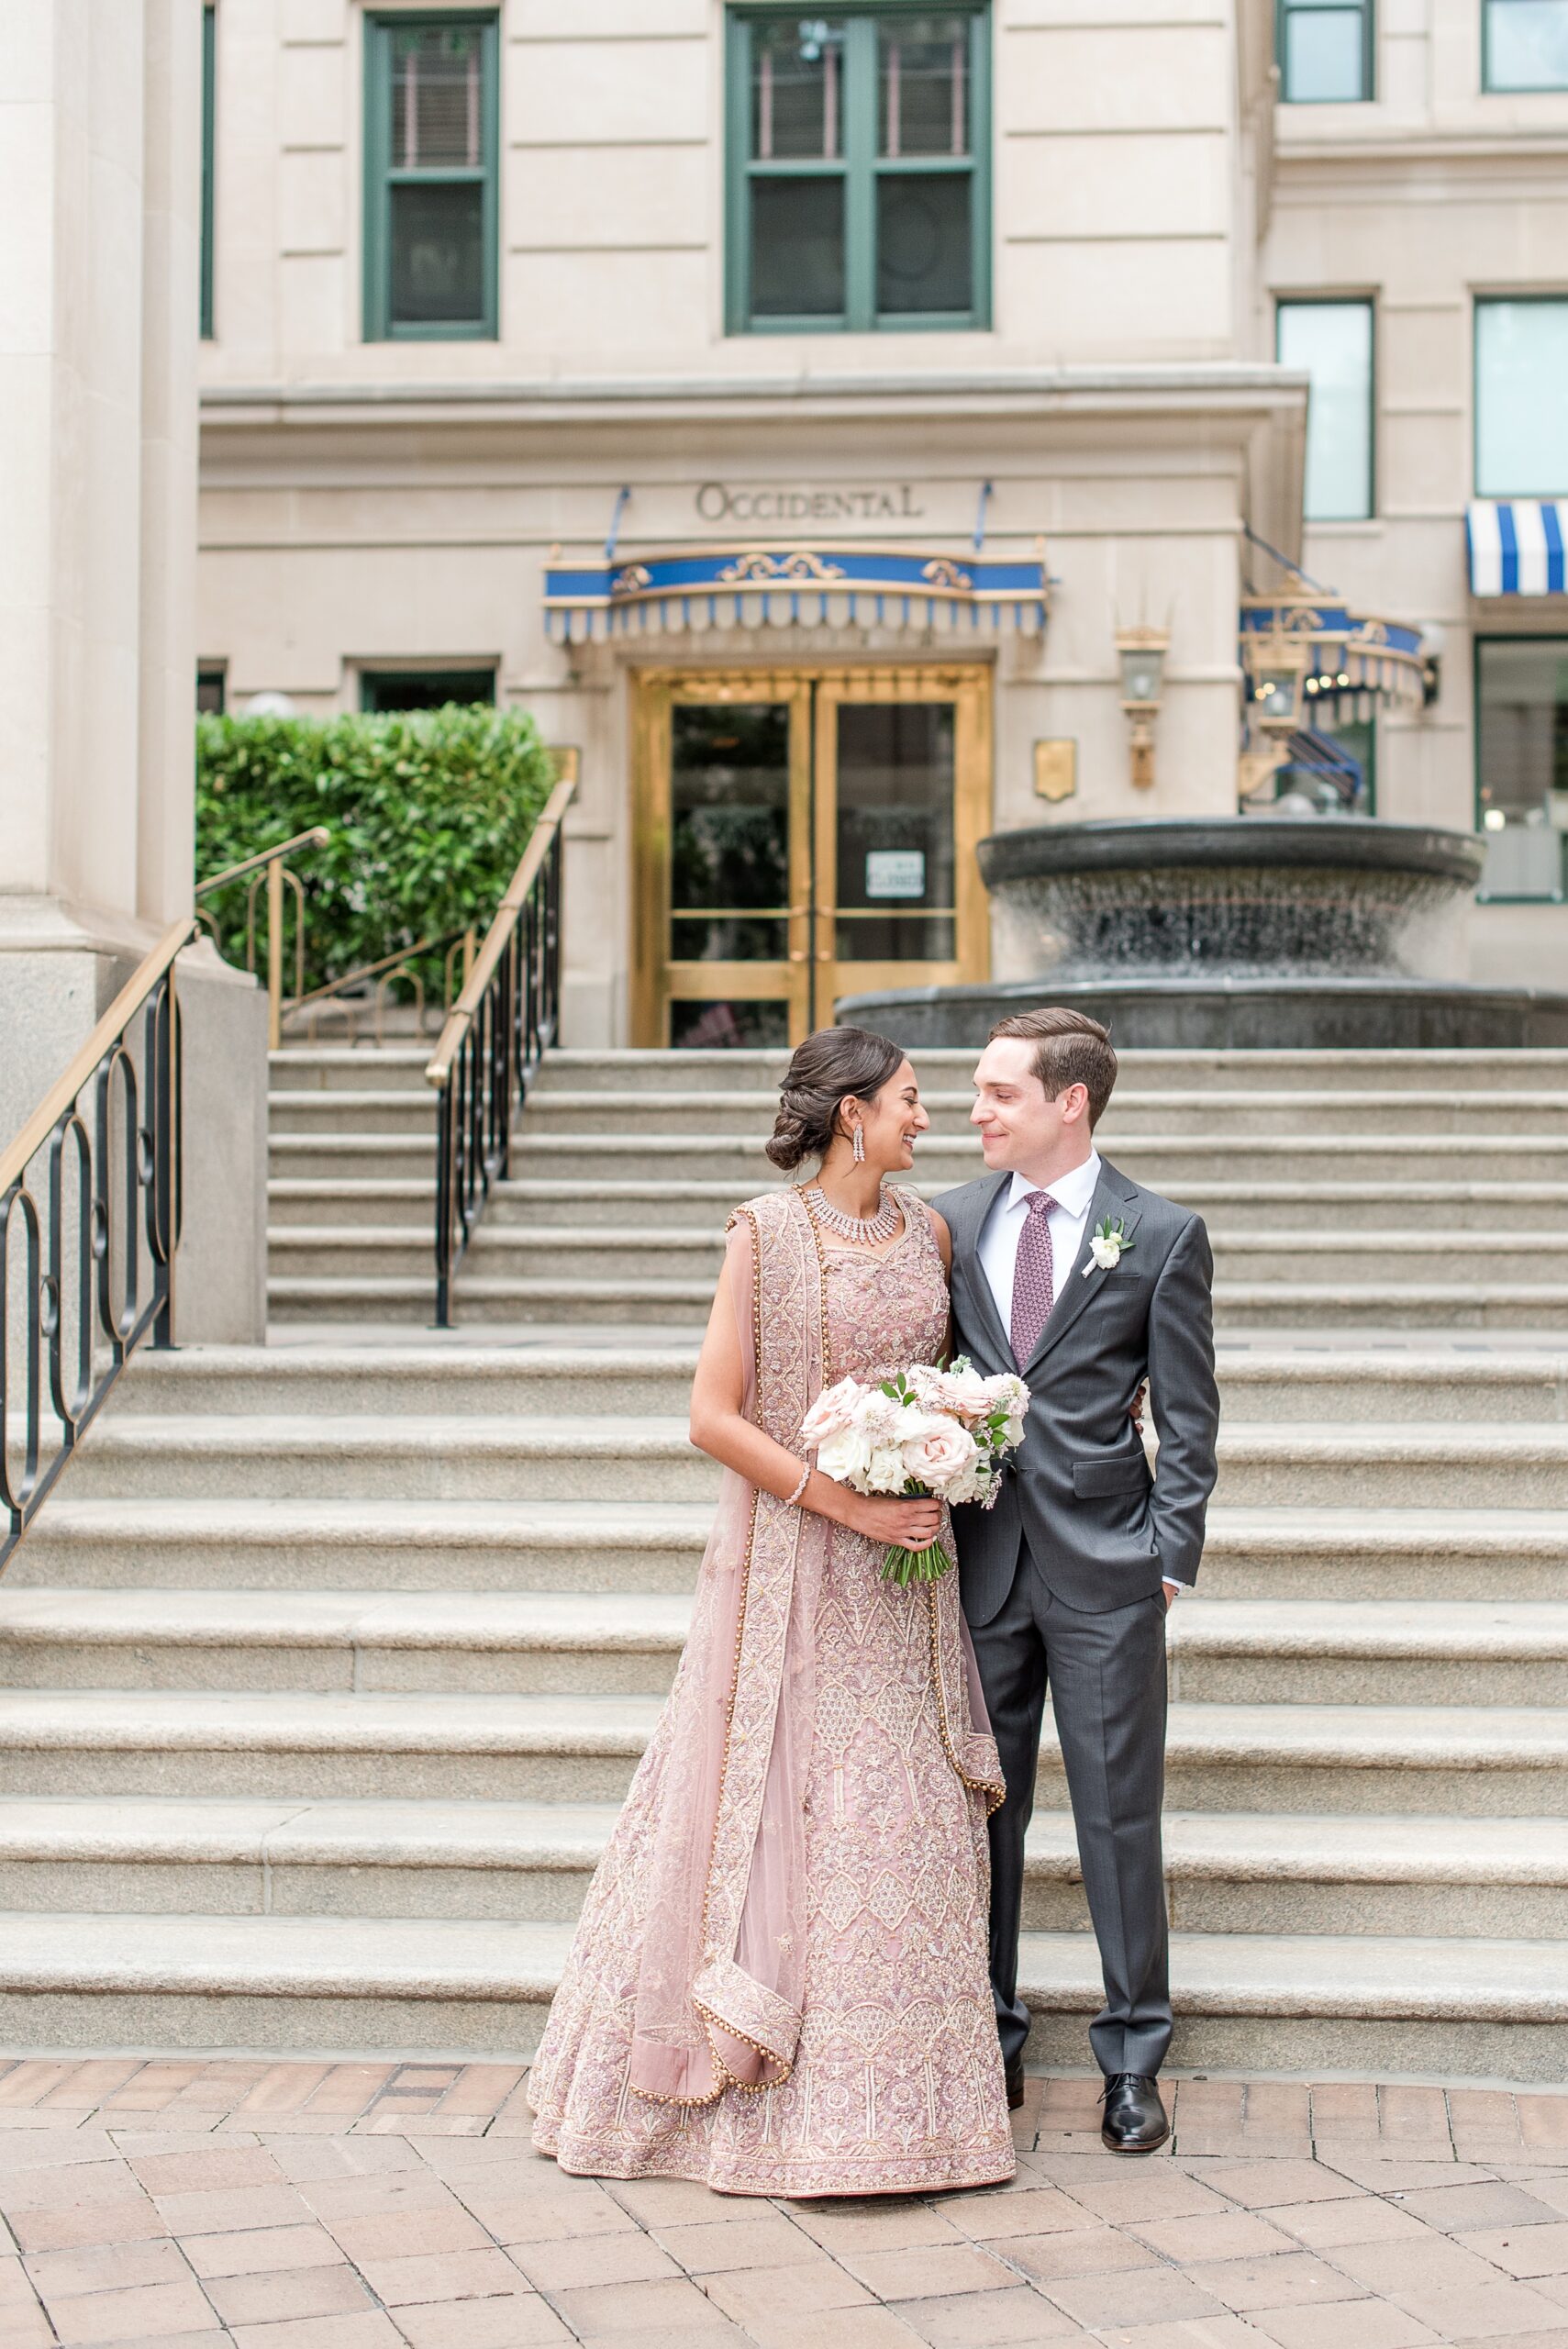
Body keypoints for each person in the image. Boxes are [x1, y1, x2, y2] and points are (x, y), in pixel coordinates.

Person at [528, 1026, 1015, 2199]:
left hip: (908, 1581)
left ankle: (913, 2112)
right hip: (801, 1561)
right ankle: (752, 2100)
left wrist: (945, 1448)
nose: (926, 1117)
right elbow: (712, 1414)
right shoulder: (764, 1232)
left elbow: (946, 1380)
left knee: (900, 1814)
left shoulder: (932, 1231)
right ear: (852, 1112)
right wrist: (847, 1499)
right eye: (908, 1099)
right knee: (783, 1806)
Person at [933, 1008, 1219, 2155]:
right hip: (978, 1567)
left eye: (998, 1091)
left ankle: (1132, 2057)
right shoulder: (946, 1221)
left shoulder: (1157, 1232)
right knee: (980, 1820)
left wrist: (1164, 1560)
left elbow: (1189, 1421)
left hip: (1107, 1574)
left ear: (1069, 1102)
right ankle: (988, 2039)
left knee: (1116, 1821)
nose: (974, 1110)